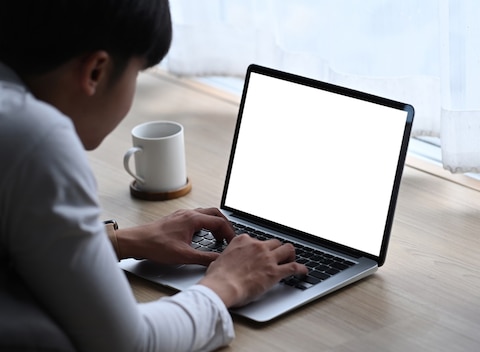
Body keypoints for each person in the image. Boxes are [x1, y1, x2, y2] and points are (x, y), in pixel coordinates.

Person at [0, 1, 308, 351]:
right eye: (137, 73)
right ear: (96, 71)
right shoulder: (35, 138)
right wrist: (227, 284)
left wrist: (119, 242)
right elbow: (130, 344)